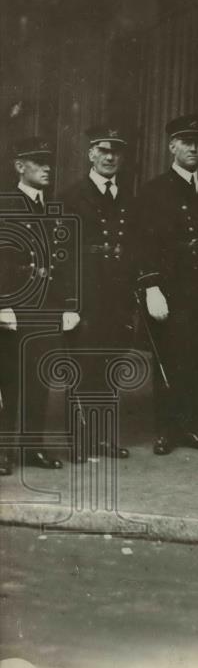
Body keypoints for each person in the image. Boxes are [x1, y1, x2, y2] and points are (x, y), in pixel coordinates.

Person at [135, 114, 198, 456]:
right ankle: (166, 429)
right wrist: (151, 287)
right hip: (170, 291)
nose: (194, 148)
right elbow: (144, 244)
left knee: (196, 361)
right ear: (171, 146)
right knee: (170, 359)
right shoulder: (154, 191)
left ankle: (189, 426)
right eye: (186, 142)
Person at [59, 125, 136, 462]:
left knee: (110, 368)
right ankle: (78, 441)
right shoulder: (71, 196)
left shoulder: (127, 197)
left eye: (116, 151)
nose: (110, 157)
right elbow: (63, 255)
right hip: (86, 298)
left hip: (117, 298)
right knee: (83, 369)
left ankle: (103, 439)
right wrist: (71, 304)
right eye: (103, 151)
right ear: (90, 153)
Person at [0, 137, 77, 472]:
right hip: (13, 309)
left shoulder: (53, 208)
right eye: (38, 161)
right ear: (20, 166)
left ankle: (32, 448)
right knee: (8, 382)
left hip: (45, 308)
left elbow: (63, 263)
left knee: (38, 381)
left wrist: (66, 307)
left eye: (49, 162)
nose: (47, 168)